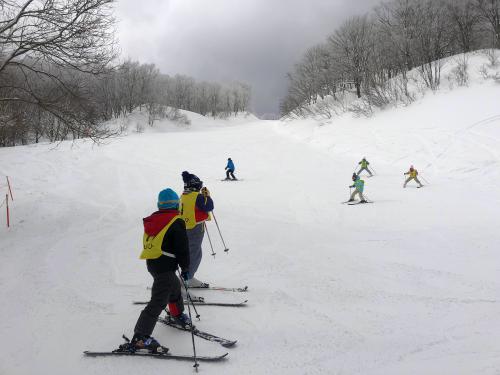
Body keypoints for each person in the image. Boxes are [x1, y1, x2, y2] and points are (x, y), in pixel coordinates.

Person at [130, 188, 191, 353]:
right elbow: (182, 247)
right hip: (165, 265)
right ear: (176, 204)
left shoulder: (154, 219)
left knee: (174, 286)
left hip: (154, 263)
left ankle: (176, 314)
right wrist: (186, 267)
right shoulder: (176, 220)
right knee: (158, 300)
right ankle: (140, 337)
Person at [180, 171, 214, 287]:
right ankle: (186, 279)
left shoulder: (184, 195)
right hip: (195, 227)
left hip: (185, 227)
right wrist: (207, 196)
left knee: (190, 252)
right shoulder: (197, 196)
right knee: (195, 253)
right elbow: (209, 207)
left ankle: (189, 277)